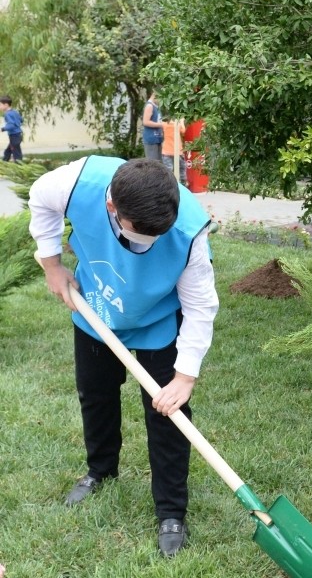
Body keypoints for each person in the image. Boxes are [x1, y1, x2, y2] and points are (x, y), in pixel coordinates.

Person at [28, 157, 218, 557]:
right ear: (112, 207)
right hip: (96, 308)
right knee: (94, 394)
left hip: (158, 320)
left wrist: (185, 378)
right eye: (140, 234)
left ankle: (171, 511)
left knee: (169, 414)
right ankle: (101, 470)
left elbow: (201, 307)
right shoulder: (73, 183)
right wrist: (51, 265)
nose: (148, 243)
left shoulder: (188, 232)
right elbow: (39, 199)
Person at [161, 117, 188, 187]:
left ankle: (168, 186)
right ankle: (183, 186)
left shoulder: (164, 125)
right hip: (178, 151)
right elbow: (183, 131)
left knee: (168, 170)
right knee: (182, 169)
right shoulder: (178, 125)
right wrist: (182, 121)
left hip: (166, 151)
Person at [142, 91, 166, 161]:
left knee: (159, 164)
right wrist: (162, 125)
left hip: (158, 139)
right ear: (155, 96)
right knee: (153, 164)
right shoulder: (149, 106)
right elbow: (145, 122)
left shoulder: (156, 106)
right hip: (151, 139)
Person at [0, 95, 23, 162]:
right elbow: (21, 120)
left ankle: (19, 167)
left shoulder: (7, 114)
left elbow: (11, 125)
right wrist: (17, 124)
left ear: (6, 105)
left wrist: (2, 129)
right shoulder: (14, 112)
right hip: (18, 135)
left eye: (0, 105)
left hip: (14, 136)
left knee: (16, 154)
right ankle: (4, 163)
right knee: (8, 152)